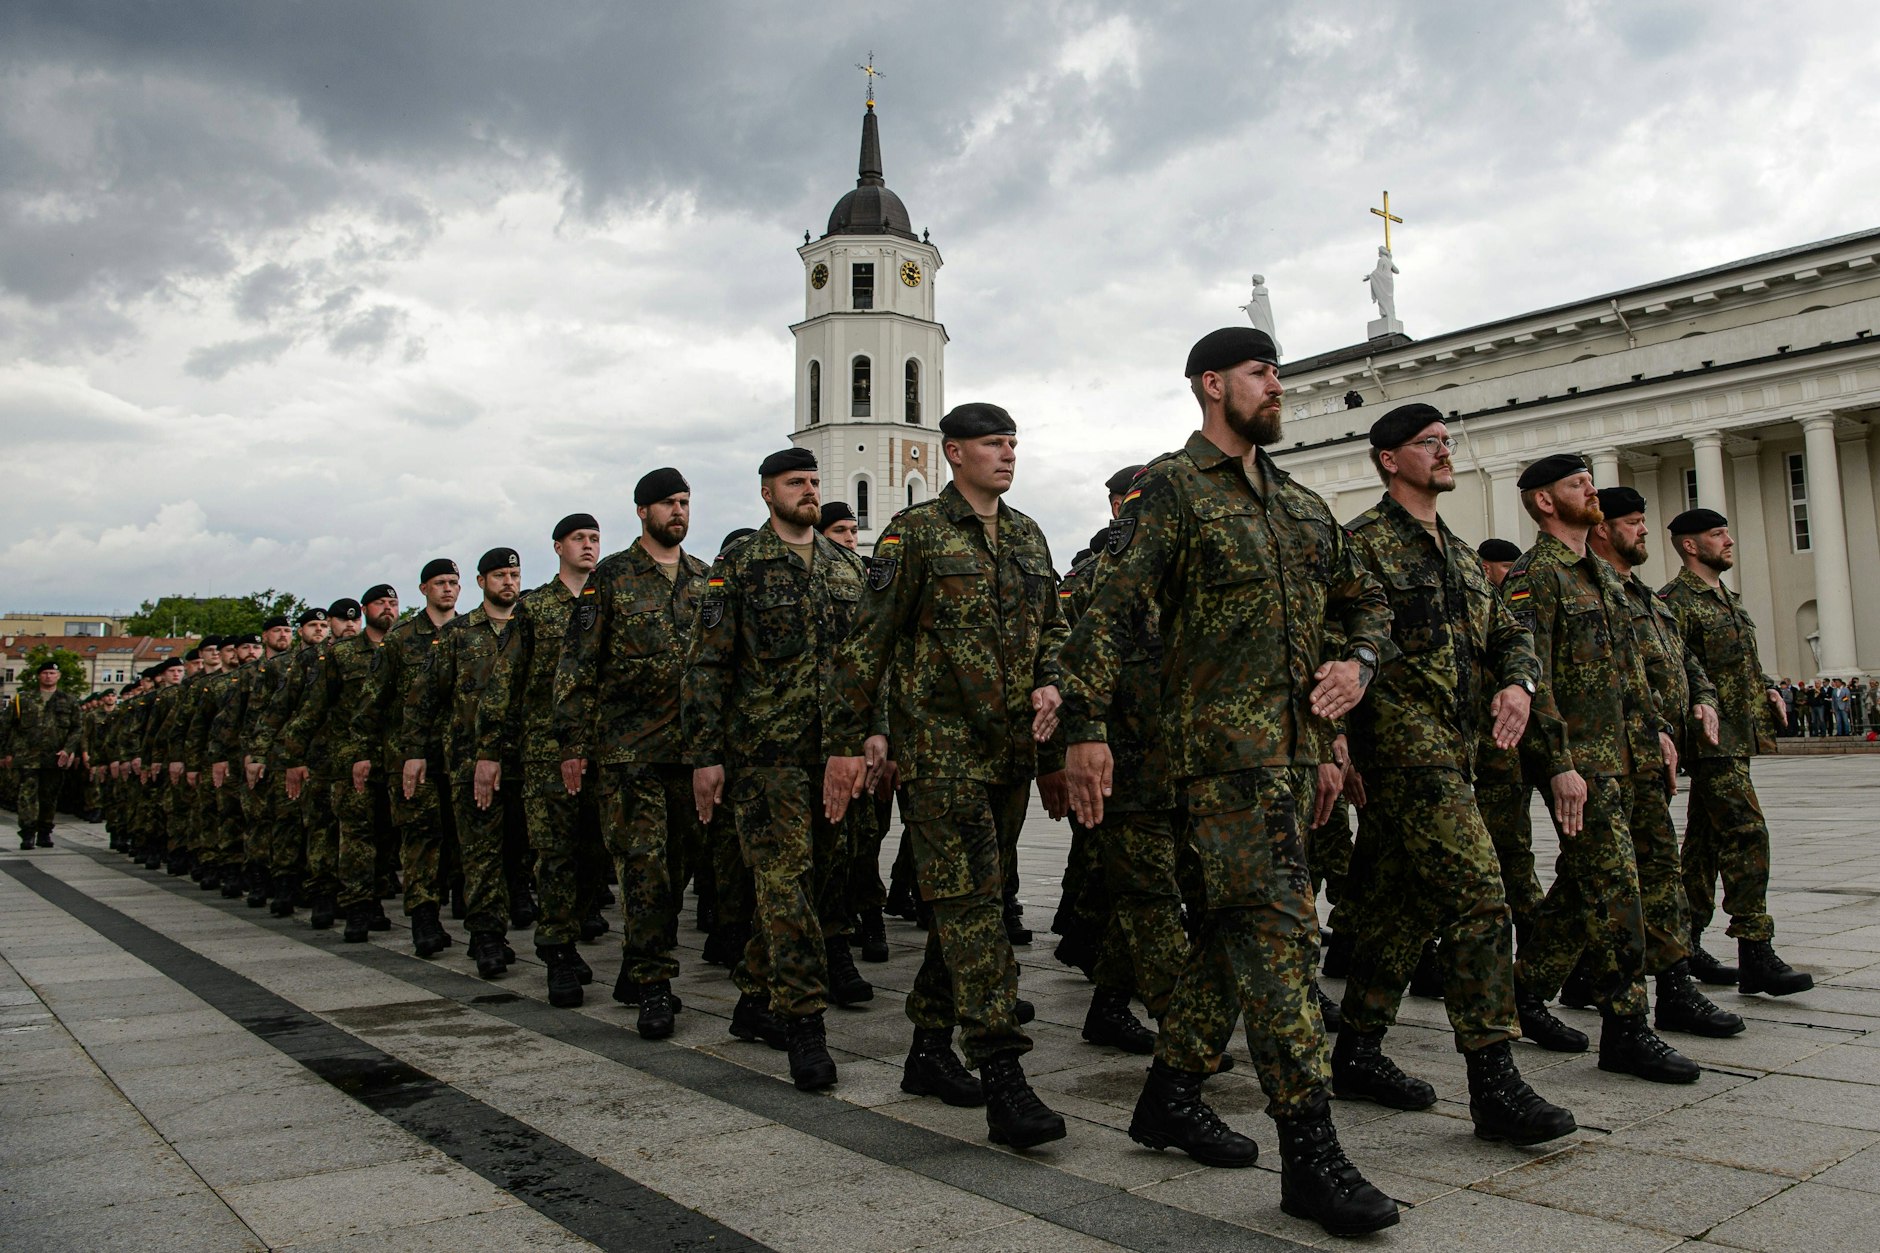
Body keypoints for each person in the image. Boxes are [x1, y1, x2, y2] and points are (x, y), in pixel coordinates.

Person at [1059, 328, 1398, 1235]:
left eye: (1278, 371)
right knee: (1283, 939)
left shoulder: (1298, 503)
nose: (1277, 385)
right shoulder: (1172, 488)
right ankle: (1310, 1151)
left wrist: (1357, 666)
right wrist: (1084, 728)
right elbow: (1107, 610)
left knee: (1230, 930)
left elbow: (1366, 597)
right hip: (1219, 765)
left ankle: (1170, 1092)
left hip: (1293, 759)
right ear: (1212, 385)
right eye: (1260, 372)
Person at [1331, 403, 1576, 1146]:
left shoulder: (1464, 556)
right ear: (1388, 460)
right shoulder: (1359, 547)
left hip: (1457, 750)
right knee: (1479, 897)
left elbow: (1512, 633)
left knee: (1398, 906)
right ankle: (1493, 1079)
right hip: (1402, 752)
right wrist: (1335, 744)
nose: (1444, 451)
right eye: (1427, 442)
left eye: (1447, 440)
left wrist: (1519, 684)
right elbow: (1331, 645)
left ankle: (1358, 1050)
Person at [825, 405, 1069, 1147]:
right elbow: (868, 639)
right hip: (941, 754)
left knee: (972, 900)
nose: (1008, 454)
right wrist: (850, 740)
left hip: (1010, 754)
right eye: (994, 443)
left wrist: (1052, 681)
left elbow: (1054, 628)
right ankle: (1002, 1073)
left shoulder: (1027, 535)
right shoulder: (916, 534)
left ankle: (928, 1050)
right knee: (974, 908)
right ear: (954, 452)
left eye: (1014, 443)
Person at [1501, 454, 1699, 1084]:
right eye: (1576, 484)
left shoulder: (1603, 578)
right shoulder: (1536, 577)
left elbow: (1629, 671)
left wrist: (1658, 733)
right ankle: (1626, 1027)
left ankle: (1523, 989)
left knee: (1593, 882)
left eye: (1590, 481)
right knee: (1615, 889)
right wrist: (1558, 765)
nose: (1591, 490)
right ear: (1544, 502)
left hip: (1632, 759)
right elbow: (1530, 678)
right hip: (1585, 768)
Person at [688, 448, 870, 1091]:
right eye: (796, 482)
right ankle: (803, 1022)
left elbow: (868, 662)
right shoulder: (739, 566)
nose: (809, 491)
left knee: (814, 885)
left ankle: (753, 999)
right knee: (784, 883)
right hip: (766, 759)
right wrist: (706, 756)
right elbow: (707, 666)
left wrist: (873, 736)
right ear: (767, 493)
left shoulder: (848, 568)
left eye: (814, 481)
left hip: (835, 757)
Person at [557, 475, 713, 1036]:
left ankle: (635, 961)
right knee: (644, 866)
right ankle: (653, 984)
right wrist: (573, 745)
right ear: (643, 511)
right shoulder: (612, 578)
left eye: (685, 503)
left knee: (677, 869)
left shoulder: (704, 579)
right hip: (630, 752)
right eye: (669, 503)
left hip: (690, 753)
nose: (679, 511)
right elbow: (577, 664)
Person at [1586, 487, 1742, 1039]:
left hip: (1649, 752)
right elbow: (1610, 675)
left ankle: (1673, 988)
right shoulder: (1589, 588)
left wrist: (1702, 698)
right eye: (1633, 521)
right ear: (1604, 529)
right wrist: (1655, 725)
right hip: (1608, 755)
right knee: (1604, 879)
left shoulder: (1645, 596)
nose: (1644, 530)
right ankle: (1537, 987)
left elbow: (1683, 662)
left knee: (1655, 871)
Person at [1659, 508, 1813, 996]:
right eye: (1716, 533)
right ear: (1690, 545)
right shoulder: (1676, 602)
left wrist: (1766, 688)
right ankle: (1755, 948)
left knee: (1703, 846)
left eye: (1727, 531)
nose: (1728, 540)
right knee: (1747, 832)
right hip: (1710, 741)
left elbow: (1740, 661)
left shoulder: (1726, 597)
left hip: (1737, 734)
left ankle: (1685, 944)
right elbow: (1674, 669)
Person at [486, 514, 605, 1003]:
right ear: (558, 547)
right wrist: (490, 751)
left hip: (605, 750)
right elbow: (505, 680)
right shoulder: (535, 608)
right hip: (546, 754)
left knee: (596, 855)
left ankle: (571, 931)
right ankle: (556, 949)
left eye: (594, 538)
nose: (588, 546)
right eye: (578, 538)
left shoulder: (608, 598)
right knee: (555, 855)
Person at [413, 549, 525, 978]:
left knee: (521, 851)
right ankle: (486, 935)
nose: (508, 582)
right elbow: (425, 697)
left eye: (514, 574)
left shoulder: (529, 626)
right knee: (480, 853)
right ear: (481, 582)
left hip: (526, 759)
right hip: (470, 761)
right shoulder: (458, 634)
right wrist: (415, 752)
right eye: (499, 575)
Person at [357, 560, 460, 956]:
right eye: (440, 583)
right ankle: (423, 917)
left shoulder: (470, 632)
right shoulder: (400, 640)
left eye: (453, 582)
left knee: (466, 841)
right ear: (423, 590)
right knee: (420, 840)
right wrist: (366, 755)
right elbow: (373, 702)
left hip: (461, 756)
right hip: (412, 758)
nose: (447, 589)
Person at [820, 499, 895, 964]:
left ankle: (870, 916)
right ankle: (832, 937)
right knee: (826, 846)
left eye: (853, 530)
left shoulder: (865, 579)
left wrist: (881, 730)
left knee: (865, 838)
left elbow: (878, 663)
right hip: (807, 739)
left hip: (860, 735)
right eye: (840, 531)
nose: (850, 538)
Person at [5, 660, 80, 849]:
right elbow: (6, 725)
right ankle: (28, 833)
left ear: (58, 676)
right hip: (27, 756)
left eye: (52, 673)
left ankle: (45, 831)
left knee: (49, 797)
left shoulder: (69, 700)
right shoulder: (23, 699)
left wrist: (68, 749)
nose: (48, 676)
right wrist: (6, 753)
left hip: (54, 757)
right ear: (39, 676)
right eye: (45, 673)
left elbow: (77, 728)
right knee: (27, 796)